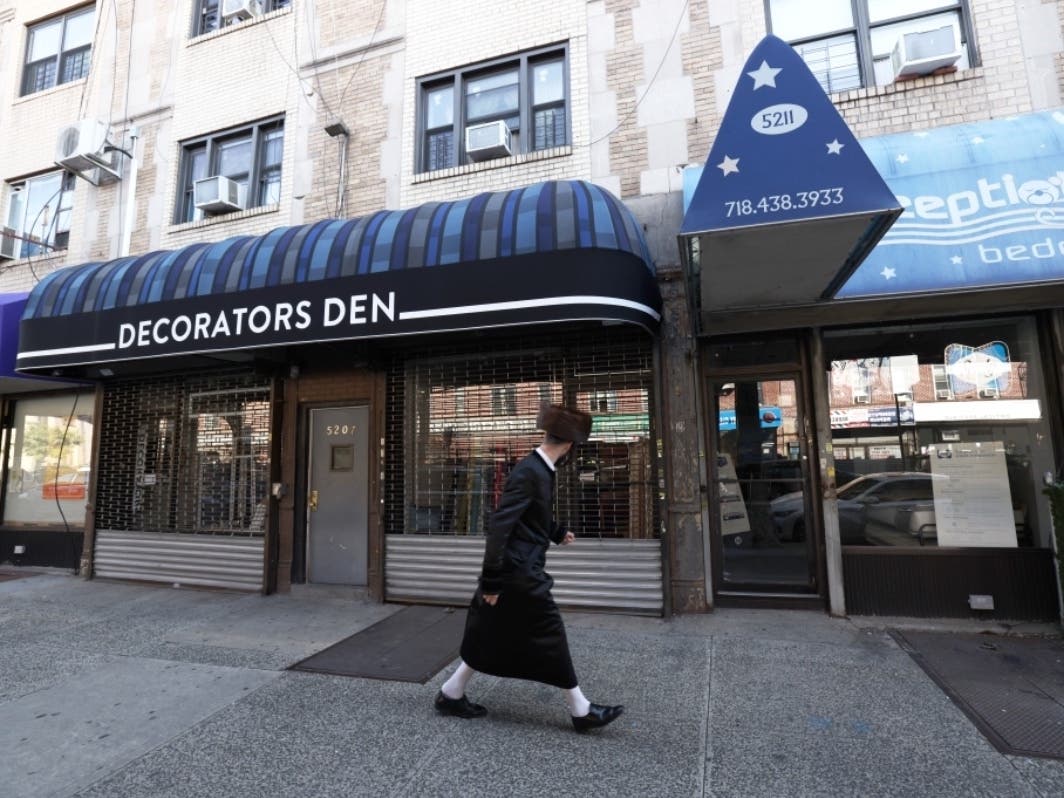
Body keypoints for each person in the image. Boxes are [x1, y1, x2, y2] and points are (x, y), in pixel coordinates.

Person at [434, 403, 624, 733]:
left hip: (517, 566)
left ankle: (451, 693)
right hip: (518, 571)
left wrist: (555, 532)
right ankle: (581, 710)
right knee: (550, 630)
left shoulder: (539, 469)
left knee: (488, 631)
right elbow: (499, 525)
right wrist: (492, 580)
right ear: (570, 446)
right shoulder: (530, 472)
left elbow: (529, 515)